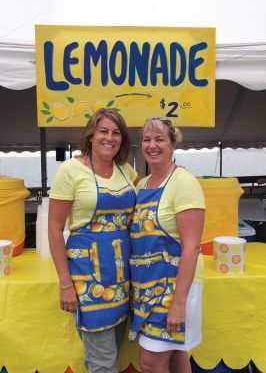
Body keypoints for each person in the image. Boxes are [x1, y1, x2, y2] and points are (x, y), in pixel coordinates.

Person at [48, 108, 139, 373]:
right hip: (88, 276)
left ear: (122, 139)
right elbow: (54, 229)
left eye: (116, 133)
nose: (110, 138)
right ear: (90, 136)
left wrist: (172, 174)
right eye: (103, 131)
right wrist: (65, 284)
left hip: (122, 275)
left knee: (114, 351)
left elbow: (148, 196)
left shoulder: (126, 171)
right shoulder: (71, 170)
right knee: (103, 363)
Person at [129, 117, 205, 373]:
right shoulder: (140, 186)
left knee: (151, 362)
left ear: (173, 145)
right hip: (147, 285)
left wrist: (179, 304)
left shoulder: (184, 183)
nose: (152, 145)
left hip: (174, 286)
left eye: (160, 139)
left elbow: (192, 247)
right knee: (174, 355)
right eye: (147, 139)